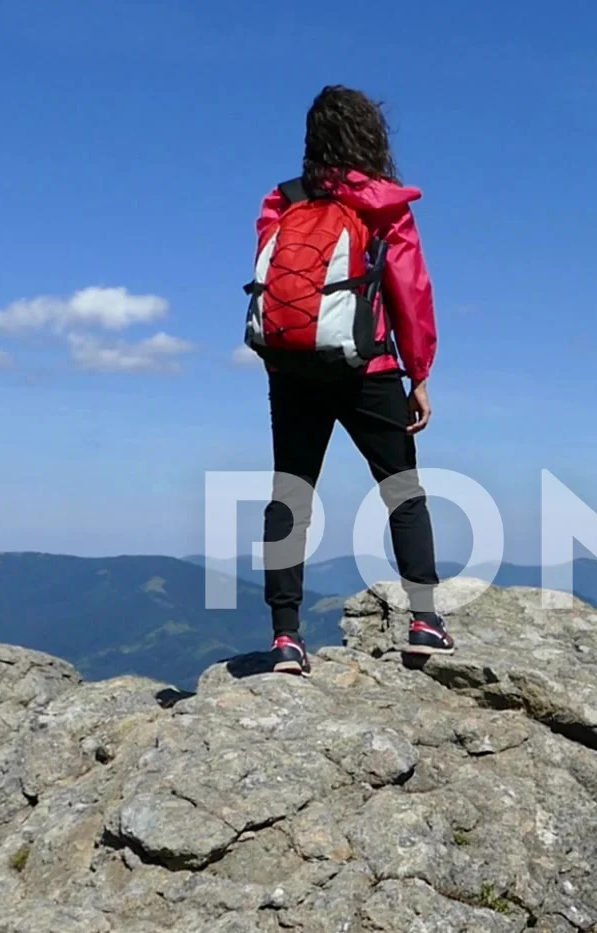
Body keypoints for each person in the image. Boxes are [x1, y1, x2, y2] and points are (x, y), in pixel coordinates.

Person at [246, 86, 453, 676]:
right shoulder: (385, 206)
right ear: (372, 138)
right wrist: (420, 373)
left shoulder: (282, 200)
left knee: (291, 494)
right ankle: (424, 622)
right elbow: (410, 293)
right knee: (402, 491)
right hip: (373, 368)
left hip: (294, 369)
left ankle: (286, 637)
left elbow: (275, 291)